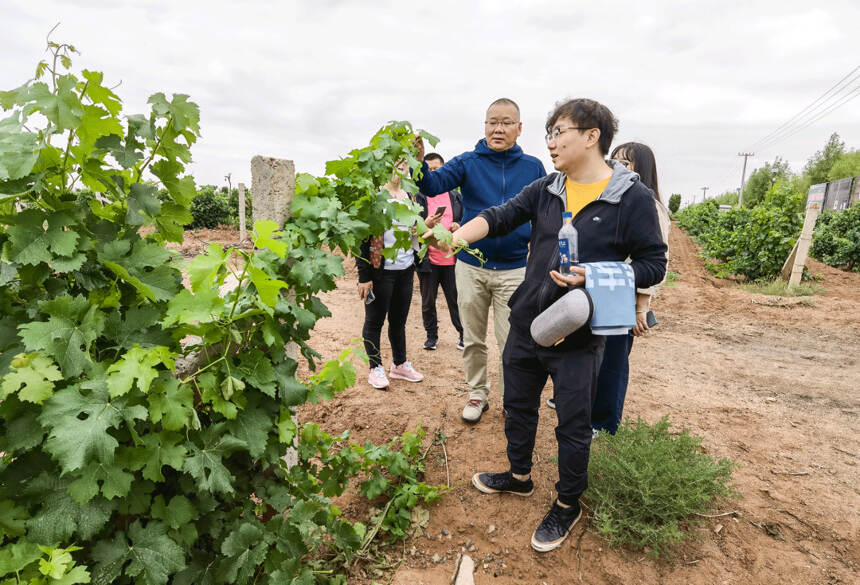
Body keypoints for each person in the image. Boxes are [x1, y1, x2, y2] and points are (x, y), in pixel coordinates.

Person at [432, 99, 666, 551]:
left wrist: (596, 275)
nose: (551, 142)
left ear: (592, 135)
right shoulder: (546, 188)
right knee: (518, 406)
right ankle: (519, 476)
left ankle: (566, 504)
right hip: (527, 320)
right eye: (549, 133)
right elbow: (498, 217)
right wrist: (454, 235)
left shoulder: (631, 198)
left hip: (578, 329)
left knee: (573, 424)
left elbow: (654, 264)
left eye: (559, 132)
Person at [414, 98, 546, 423]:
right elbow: (432, 185)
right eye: (491, 122)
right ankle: (477, 394)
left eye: (505, 122)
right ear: (484, 125)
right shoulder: (467, 162)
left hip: (516, 268)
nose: (497, 128)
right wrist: (417, 161)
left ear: (519, 127)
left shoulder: (533, 168)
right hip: (472, 267)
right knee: (473, 338)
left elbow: (545, 216)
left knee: (512, 341)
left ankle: (513, 400)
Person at [547, 142, 671, 438]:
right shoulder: (611, 196)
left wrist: (641, 306)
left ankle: (603, 422)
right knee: (587, 350)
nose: (617, 167)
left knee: (613, 362)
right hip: (596, 285)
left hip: (621, 292)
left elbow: (655, 262)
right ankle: (579, 404)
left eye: (626, 163)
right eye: (613, 160)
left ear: (643, 169)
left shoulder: (647, 204)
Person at [357, 161, 424, 390]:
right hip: (380, 271)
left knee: (399, 321)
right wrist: (364, 276)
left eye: (405, 164)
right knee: (374, 322)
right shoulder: (375, 198)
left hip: (405, 269)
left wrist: (424, 229)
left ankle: (399, 364)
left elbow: (415, 231)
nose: (401, 169)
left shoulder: (411, 197)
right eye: (396, 164)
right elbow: (362, 239)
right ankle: (375, 368)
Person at [416, 153, 465, 351]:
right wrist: (425, 225)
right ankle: (431, 337)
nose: (434, 172)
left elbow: (466, 221)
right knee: (428, 302)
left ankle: (463, 335)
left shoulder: (455, 196)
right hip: (429, 259)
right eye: (429, 169)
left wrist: (458, 226)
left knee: (456, 300)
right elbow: (413, 227)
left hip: (452, 258)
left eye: (437, 169)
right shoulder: (419, 197)